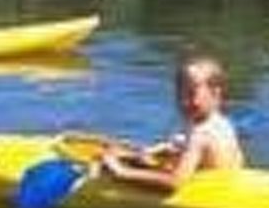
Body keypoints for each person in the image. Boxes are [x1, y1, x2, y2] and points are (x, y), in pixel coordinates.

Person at [99, 54, 246, 190]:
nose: (184, 102)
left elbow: (175, 182)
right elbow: (234, 160)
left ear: (215, 93)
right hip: (226, 188)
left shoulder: (200, 134)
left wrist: (122, 172)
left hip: (207, 197)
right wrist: (177, 149)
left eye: (191, 94)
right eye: (180, 94)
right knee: (149, 159)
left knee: (128, 166)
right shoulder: (224, 123)